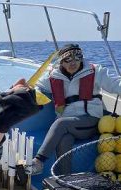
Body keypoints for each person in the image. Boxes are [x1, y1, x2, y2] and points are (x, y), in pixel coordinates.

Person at [32, 43, 121, 175]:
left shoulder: (95, 71)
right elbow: (37, 86)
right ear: (61, 61)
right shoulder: (54, 76)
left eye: (77, 57)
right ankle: (65, 179)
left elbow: (115, 84)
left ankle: (38, 161)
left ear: (81, 57)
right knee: (64, 139)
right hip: (69, 125)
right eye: (68, 59)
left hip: (90, 120)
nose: (73, 62)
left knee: (61, 123)